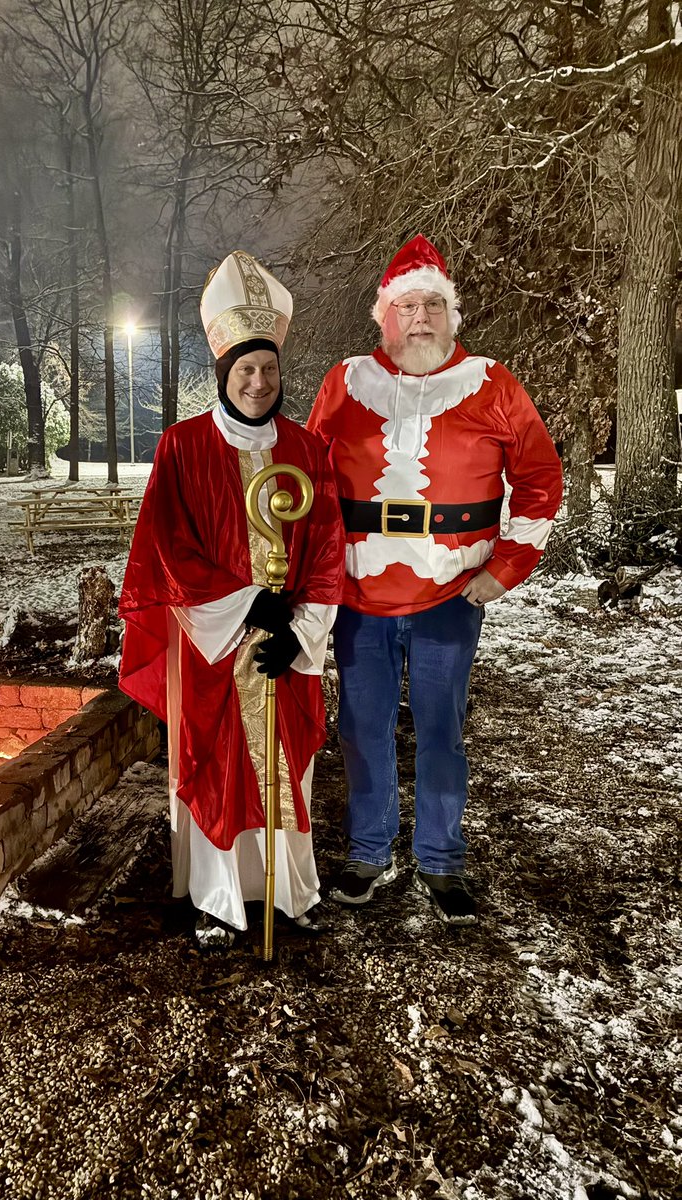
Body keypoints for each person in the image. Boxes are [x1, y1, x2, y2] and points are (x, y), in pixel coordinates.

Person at [307, 235, 563, 925]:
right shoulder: (345, 382)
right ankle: (369, 852)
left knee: (442, 729)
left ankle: (442, 860)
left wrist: (505, 568)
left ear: (452, 315)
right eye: (405, 306)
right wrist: (314, 572)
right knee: (361, 727)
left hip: (452, 592)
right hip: (361, 593)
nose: (419, 318)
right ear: (383, 316)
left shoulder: (492, 383)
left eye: (432, 306)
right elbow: (307, 476)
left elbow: (540, 479)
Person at [119, 250, 345, 949]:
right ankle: (217, 896)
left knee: (286, 762)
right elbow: (165, 548)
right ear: (223, 372)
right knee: (217, 763)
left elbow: (327, 550)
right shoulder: (182, 446)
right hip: (211, 645)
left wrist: (299, 631)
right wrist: (247, 604)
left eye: (268, 369)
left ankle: (286, 890)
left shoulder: (307, 450)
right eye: (245, 369)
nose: (257, 382)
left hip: (284, 649)